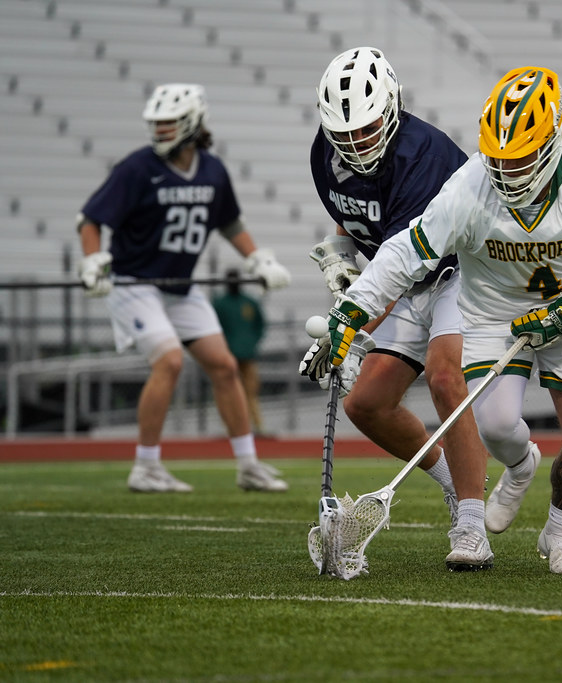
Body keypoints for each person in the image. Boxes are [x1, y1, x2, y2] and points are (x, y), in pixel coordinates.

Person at [316, 66, 562, 574]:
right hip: (492, 315)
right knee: (499, 426)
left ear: (554, 141)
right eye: (500, 157)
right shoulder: (470, 186)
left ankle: (560, 533)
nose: (507, 171)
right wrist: (353, 310)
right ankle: (520, 465)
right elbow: (407, 251)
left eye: (523, 157)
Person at [298, 47, 494, 571]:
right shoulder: (325, 153)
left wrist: (350, 333)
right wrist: (341, 254)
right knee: (366, 404)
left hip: (461, 270)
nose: (357, 143)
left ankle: (473, 525)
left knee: (445, 378)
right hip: (406, 280)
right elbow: (355, 219)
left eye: (367, 129)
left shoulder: (421, 154)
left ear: (393, 106)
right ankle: (457, 481)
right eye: (346, 135)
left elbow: (403, 260)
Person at [77, 83, 292, 493]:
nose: (159, 131)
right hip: (135, 283)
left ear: (191, 122)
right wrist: (92, 260)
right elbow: (90, 219)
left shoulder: (212, 169)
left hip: (180, 286)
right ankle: (146, 466)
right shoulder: (137, 168)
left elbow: (228, 222)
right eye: (155, 125)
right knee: (170, 361)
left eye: (168, 124)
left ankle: (248, 464)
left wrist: (258, 259)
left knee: (225, 367)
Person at [213, 269, 267, 434]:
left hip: (248, 357)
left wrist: (252, 343)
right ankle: (231, 428)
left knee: (251, 393)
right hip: (226, 358)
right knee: (227, 392)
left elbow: (260, 325)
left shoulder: (249, 303)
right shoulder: (220, 304)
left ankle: (257, 426)